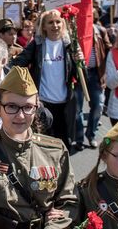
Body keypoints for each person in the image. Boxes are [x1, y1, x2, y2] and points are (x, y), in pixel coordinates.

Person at [0, 66, 77, 229]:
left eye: (27, 107)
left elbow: (69, 203)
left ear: (36, 107)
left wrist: (54, 225)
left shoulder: (55, 150)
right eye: (11, 106)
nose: (20, 116)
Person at [11, 10, 79, 149]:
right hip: (42, 103)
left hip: (65, 104)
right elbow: (18, 63)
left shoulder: (69, 45)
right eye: (50, 22)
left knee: (63, 145)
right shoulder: (37, 44)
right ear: (44, 27)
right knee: (43, 144)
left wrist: (80, 64)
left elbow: (79, 76)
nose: (55, 25)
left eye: (58, 22)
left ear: (63, 24)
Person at [74, 10, 112, 150]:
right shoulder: (73, 32)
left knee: (98, 105)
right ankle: (78, 138)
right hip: (78, 74)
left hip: (96, 73)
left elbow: (108, 49)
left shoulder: (100, 31)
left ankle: (91, 134)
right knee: (77, 108)